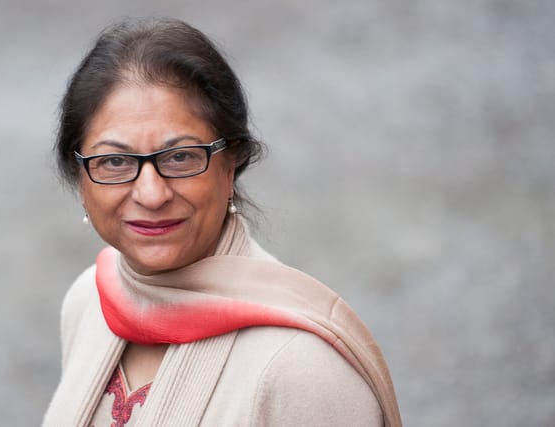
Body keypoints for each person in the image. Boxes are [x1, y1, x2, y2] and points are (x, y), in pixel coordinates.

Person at [43, 18, 401, 427]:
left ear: (231, 162)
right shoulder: (90, 300)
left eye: (180, 156)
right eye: (115, 161)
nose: (151, 194)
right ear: (80, 177)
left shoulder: (303, 369)